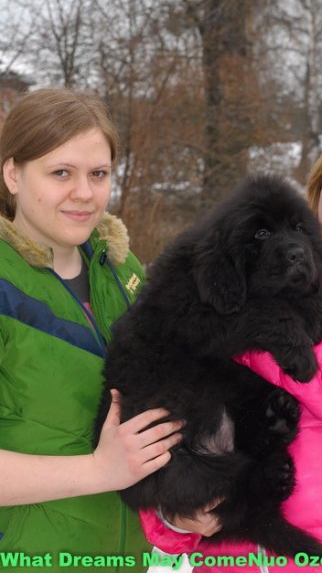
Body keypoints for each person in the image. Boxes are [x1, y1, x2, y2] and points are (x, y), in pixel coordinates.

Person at [140, 119, 322, 572]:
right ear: (321, 182)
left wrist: (268, 329)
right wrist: (172, 514)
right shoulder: (235, 265)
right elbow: (164, 389)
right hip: (243, 553)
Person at [0, 88, 184, 572]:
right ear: (13, 173)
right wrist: (98, 471)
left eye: (98, 174)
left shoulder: (125, 275)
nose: (84, 192)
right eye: (61, 172)